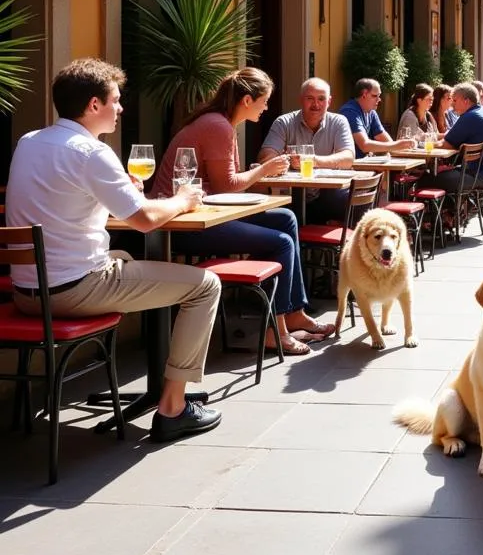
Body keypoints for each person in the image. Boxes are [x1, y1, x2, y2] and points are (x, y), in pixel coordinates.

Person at [6, 58, 223, 443]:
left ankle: (164, 389)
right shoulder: (90, 152)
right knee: (205, 284)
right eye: (116, 101)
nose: (121, 108)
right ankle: (173, 408)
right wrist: (184, 199)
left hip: (26, 294)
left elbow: (63, 202)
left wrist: (120, 195)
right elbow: (144, 220)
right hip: (74, 291)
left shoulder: (29, 141)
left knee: (125, 261)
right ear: (94, 105)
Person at [154, 68, 335, 357]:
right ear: (247, 100)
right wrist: (264, 170)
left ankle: (293, 312)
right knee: (281, 241)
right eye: (264, 101)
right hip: (184, 225)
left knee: (286, 218)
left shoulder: (222, 123)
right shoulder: (218, 126)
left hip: (205, 212)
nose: (266, 108)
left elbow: (223, 184)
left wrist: (256, 173)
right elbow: (227, 185)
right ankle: (276, 331)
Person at [257, 77, 355, 223]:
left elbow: (348, 158)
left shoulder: (339, 122)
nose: (316, 104)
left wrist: (313, 160)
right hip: (290, 197)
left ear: (329, 101)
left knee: (357, 206)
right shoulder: (284, 122)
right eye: (310, 98)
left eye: (321, 99)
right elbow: (264, 158)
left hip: (326, 197)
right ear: (301, 100)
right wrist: (287, 161)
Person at [423, 83, 483, 193]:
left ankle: (441, 210)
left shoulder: (470, 116)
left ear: (466, 101)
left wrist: (423, 145)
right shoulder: (482, 112)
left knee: (426, 179)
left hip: (482, 175)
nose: (452, 105)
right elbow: (450, 137)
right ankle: (455, 208)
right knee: (441, 175)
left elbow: (446, 144)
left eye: (455, 101)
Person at [339, 79, 416, 158]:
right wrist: (397, 145)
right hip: (350, 167)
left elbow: (385, 139)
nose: (379, 99)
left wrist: (402, 146)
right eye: (375, 96)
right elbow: (364, 146)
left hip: (364, 164)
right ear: (364, 95)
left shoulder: (371, 112)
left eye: (379, 96)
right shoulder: (349, 111)